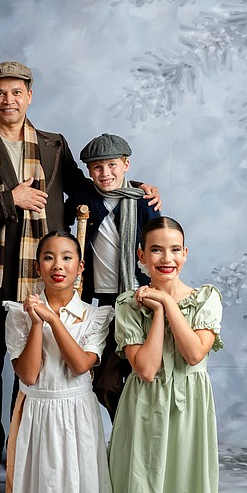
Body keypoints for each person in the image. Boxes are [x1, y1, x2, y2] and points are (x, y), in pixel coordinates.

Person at [0, 60, 160, 468]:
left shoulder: (53, 144)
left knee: (38, 364)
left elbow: (87, 189)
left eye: (16, 92)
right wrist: (10, 199)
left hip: (46, 276)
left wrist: (136, 189)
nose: (8, 100)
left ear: (29, 94)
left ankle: (23, 451)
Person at [69, 217, 237, 493]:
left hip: (189, 399)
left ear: (186, 254)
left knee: (184, 466)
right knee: (142, 466)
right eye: (156, 250)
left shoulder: (206, 299)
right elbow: (145, 369)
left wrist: (168, 303)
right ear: (141, 256)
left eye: (175, 249)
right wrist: (158, 312)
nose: (166, 258)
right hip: (145, 400)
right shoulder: (127, 304)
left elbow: (192, 354)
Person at [3, 231, 113, 493]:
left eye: (67, 258)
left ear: (81, 266)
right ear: (37, 267)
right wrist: (37, 323)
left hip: (75, 410)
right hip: (37, 409)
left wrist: (53, 318)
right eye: (48, 258)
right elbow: (27, 374)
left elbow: (80, 366)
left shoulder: (95, 316)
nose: (58, 266)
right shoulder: (18, 314)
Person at [75, 133, 161, 420]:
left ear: (126, 164)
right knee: (105, 382)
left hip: (138, 297)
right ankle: (128, 429)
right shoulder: (84, 197)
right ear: (89, 171)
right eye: (97, 167)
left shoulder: (144, 202)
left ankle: (140, 432)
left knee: (142, 373)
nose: (105, 173)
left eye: (112, 165)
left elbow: (158, 251)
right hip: (103, 301)